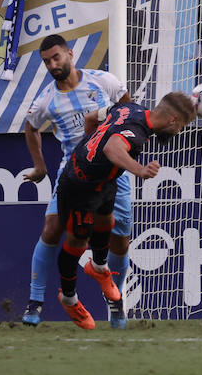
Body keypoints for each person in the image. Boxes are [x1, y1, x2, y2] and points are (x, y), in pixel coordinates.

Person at [45, 93, 193, 329]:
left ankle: (100, 267)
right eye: (182, 127)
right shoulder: (136, 135)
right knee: (77, 243)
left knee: (107, 222)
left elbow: (92, 118)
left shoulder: (130, 108)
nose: (178, 132)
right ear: (173, 120)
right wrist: (140, 170)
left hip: (104, 181)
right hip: (80, 185)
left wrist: (89, 144)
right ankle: (68, 297)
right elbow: (113, 149)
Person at [19, 34, 133, 328]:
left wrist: (126, 143)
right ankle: (35, 302)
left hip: (112, 172)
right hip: (74, 174)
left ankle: (115, 302)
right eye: (46, 61)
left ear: (70, 53)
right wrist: (40, 167)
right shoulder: (47, 99)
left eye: (56, 57)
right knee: (53, 227)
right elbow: (30, 128)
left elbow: (127, 107)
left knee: (119, 242)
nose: (52, 65)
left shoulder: (102, 81)